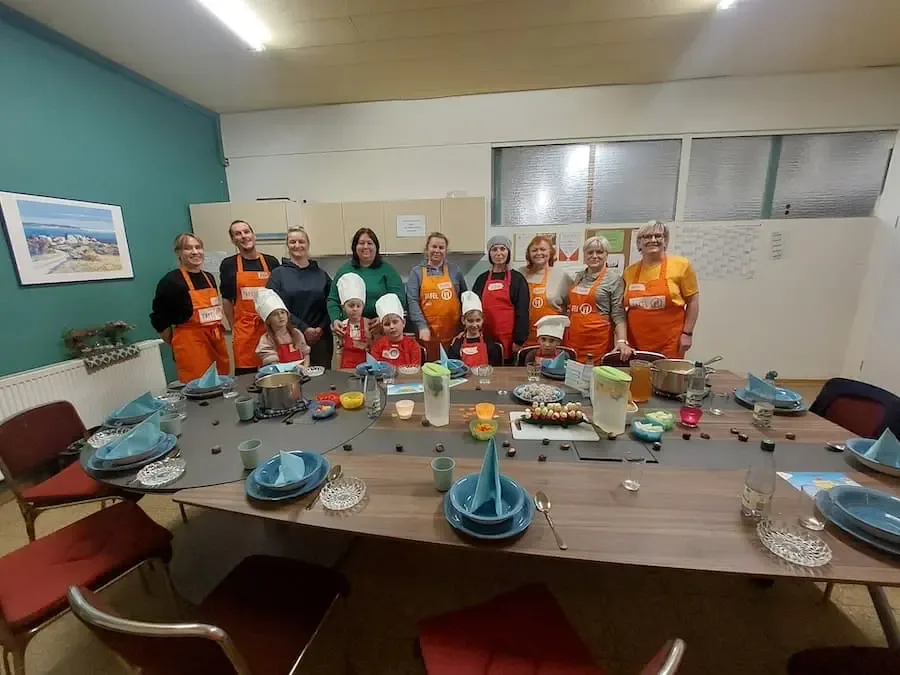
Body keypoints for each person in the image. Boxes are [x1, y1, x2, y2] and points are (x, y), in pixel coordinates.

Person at [150, 233, 230, 383]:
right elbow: (159, 320)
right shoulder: (171, 281)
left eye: (198, 247)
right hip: (191, 343)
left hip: (216, 340)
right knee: (199, 385)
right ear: (178, 253)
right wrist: (178, 343)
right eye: (188, 248)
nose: (195, 252)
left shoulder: (209, 277)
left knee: (222, 381)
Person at [623, 221, 699, 358]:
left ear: (665, 241)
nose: (653, 240)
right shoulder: (629, 272)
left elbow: (693, 301)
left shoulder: (681, 265)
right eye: (647, 237)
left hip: (670, 342)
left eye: (658, 236)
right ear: (639, 243)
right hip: (635, 343)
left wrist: (687, 333)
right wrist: (622, 340)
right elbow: (621, 308)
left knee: (667, 372)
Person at [219, 220, 280, 374]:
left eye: (246, 232)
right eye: (238, 234)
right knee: (247, 377)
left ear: (253, 235)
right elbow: (226, 299)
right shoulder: (229, 264)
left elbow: (279, 296)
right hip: (245, 331)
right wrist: (234, 327)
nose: (243, 236)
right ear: (233, 240)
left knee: (274, 372)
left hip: (270, 327)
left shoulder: (271, 262)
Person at [266, 226, 333, 368]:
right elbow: (275, 308)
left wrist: (320, 328)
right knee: (294, 375)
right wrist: (303, 328)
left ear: (308, 244)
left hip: (321, 339)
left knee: (322, 376)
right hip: (290, 337)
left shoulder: (321, 274)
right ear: (287, 245)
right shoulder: (278, 275)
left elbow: (331, 302)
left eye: (301, 241)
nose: (297, 245)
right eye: (292, 242)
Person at [327, 228, 405, 342]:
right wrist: (335, 319)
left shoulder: (387, 270)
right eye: (361, 243)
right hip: (350, 332)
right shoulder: (344, 270)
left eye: (369, 243)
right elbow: (332, 300)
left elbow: (399, 298)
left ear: (376, 247)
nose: (365, 246)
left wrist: (384, 318)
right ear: (355, 247)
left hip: (378, 331)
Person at [567, 236, 631, 361]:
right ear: (585, 256)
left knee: (594, 371)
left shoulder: (614, 280)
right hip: (574, 339)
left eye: (599, 252)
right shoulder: (579, 277)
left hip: (597, 341)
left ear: (606, 255)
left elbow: (618, 315)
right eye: (590, 252)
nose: (594, 256)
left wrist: (622, 341)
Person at [406, 232, 467, 362]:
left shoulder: (455, 270)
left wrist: (465, 326)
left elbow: (464, 297)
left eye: (441, 247)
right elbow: (412, 301)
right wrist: (421, 326)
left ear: (446, 251)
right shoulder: (416, 272)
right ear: (427, 248)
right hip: (427, 334)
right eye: (434, 246)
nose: (437, 251)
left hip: (453, 333)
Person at [472, 235, 530, 363]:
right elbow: (473, 309)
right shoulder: (481, 279)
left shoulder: (517, 279)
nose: (499, 253)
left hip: (509, 340)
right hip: (484, 338)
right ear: (490, 254)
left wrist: (519, 340)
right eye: (494, 249)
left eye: (502, 249)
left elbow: (522, 311)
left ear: (508, 252)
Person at [518, 234, 573, 346]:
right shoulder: (520, 274)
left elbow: (572, 305)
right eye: (534, 250)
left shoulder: (560, 276)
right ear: (529, 254)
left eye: (543, 249)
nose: (539, 253)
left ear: (550, 252)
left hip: (552, 339)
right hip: (524, 336)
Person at [254, 288, 310, 366]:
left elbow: (306, 354)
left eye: (282, 312)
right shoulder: (266, 340)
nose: (280, 316)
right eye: (275, 314)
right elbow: (274, 364)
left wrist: (305, 368)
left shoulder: (296, 333)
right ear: (268, 320)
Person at [447, 291, 503, 367]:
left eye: (478, 320)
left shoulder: (489, 343)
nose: (474, 325)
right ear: (463, 320)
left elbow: (496, 369)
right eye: (470, 321)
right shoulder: (457, 344)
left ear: (483, 319)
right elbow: (453, 367)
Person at [369, 294, 422, 368]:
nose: (392, 327)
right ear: (382, 327)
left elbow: (415, 369)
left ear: (403, 323)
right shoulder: (378, 346)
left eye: (395, 322)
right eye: (387, 324)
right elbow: (375, 368)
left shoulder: (413, 345)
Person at [335, 272, 370, 369]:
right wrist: (338, 370)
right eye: (351, 306)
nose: (355, 309)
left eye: (358, 306)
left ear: (363, 307)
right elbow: (339, 350)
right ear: (343, 307)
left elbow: (373, 348)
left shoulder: (368, 324)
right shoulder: (342, 326)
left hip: (366, 365)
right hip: (347, 366)